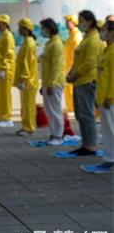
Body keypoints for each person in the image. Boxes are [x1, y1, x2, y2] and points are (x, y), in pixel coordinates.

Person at [65, 10, 104, 156]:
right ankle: (86, 144)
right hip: (79, 81)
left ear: (89, 21)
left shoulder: (94, 39)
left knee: (87, 115)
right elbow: (79, 60)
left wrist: (74, 74)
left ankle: (91, 145)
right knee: (81, 115)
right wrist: (71, 73)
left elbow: (89, 63)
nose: (79, 24)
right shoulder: (87, 38)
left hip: (87, 81)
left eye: (81, 21)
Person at [81, 20, 114, 173]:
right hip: (102, 97)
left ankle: (110, 159)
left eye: (105, 30)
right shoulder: (106, 50)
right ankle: (109, 158)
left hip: (110, 99)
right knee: (107, 131)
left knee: (111, 130)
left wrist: (110, 96)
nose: (102, 32)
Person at [39, 18, 66, 146]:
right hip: (47, 82)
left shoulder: (56, 44)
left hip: (54, 83)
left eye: (43, 28)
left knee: (55, 110)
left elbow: (57, 66)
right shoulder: (50, 42)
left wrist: (52, 84)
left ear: (49, 28)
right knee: (49, 110)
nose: (41, 31)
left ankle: (58, 135)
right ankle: (53, 134)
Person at [14, 18, 38, 136]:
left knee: (28, 106)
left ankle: (29, 127)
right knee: (25, 105)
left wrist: (23, 78)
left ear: (26, 29)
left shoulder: (29, 43)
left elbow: (27, 62)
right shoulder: (26, 41)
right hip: (27, 79)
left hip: (29, 80)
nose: (19, 30)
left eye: (21, 27)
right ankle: (25, 126)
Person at [0, 14, 15, 128]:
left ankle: (7, 118)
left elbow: (8, 54)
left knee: (5, 95)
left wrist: (3, 69)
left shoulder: (8, 36)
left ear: (5, 24)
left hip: (5, 71)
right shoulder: (2, 35)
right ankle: (1, 116)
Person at [63, 14, 83, 113]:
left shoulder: (76, 35)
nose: (66, 24)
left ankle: (73, 108)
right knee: (68, 89)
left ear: (74, 22)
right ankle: (70, 107)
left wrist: (72, 67)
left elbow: (77, 53)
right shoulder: (71, 35)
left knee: (71, 89)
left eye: (68, 21)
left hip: (72, 66)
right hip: (67, 65)